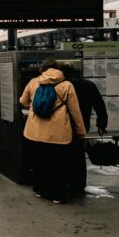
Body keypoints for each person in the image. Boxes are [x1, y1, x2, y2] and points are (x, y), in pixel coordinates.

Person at [19, 58, 86, 204]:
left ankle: (39, 190)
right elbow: (75, 111)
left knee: (39, 162)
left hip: (34, 132)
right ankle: (56, 195)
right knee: (57, 165)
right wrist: (81, 131)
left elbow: (22, 101)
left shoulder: (34, 82)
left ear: (42, 69)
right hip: (58, 133)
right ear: (58, 69)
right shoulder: (66, 85)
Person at [61, 62, 108, 196]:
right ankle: (79, 185)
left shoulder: (62, 86)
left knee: (64, 154)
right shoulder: (88, 85)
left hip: (63, 126)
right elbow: (100, 105)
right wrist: (102, 124)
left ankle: (66, 182)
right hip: (82, 125)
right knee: (79, 155)